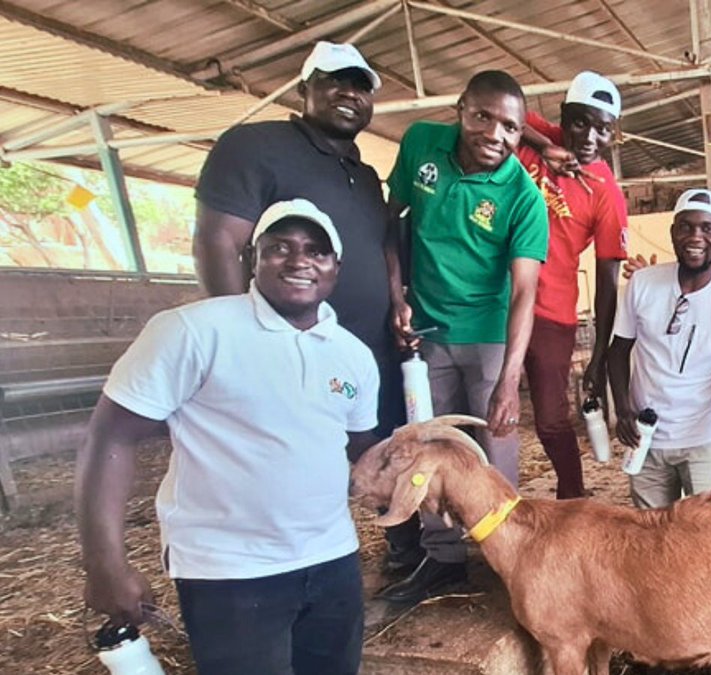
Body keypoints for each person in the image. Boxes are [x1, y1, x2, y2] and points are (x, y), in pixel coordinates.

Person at [77, 200, 380, 675]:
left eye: (317, 252)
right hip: (230, 571)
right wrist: (104, 564)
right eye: (280, 247)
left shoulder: (354, 355)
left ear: (335, 269)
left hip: (332, 560)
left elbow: (362, 448)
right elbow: (111, 435)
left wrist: (427, 465)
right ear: (250, 259)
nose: (300, 261)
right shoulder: (193, 331)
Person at [190, 42, 421, 575]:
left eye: (362, 85)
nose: (351, 93)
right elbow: (219, 242)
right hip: (285, 350)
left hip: (368, 350)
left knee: (383, 449)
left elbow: (379, 249)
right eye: (336, 79)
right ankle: (285, 567)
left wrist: (396, 307)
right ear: (304, 88)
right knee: (288, 456)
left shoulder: (363, 174)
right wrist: (242, 340)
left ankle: (404, 552)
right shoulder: (254, 146)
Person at [380, 70, 548, 605]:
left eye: (510, 127)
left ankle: (507, 561)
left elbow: (524, 291)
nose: (495, 135)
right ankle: (444, 557)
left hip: (489, 335)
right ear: (460, 109)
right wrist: (396, 295)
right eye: (483, 117)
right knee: (430, 447)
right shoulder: (419, 145)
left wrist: (508, 380)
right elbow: (392, 221)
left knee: (495, 449)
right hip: (427, 330)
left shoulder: (523, 197)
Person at [608, 188, 711, 509]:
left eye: (708, 228)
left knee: (707, 540)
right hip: (645, 440)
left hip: (703, 442)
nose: (696, 236)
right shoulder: (643, 284)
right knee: (651, 534)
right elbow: (618, 351)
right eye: (686, 226)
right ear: (673, 232)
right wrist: (623, 409)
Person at [517, 71, 628, 499]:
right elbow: (489, 108)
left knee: (549, 417)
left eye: (603, 128)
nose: (590, 136)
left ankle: (574, 499)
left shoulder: (606, 192)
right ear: (562, 116)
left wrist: (599, 356)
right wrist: (546, 146)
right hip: (492, 301)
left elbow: (607, 282)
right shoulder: (536, 134)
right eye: (581, 122)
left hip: (552, 311)